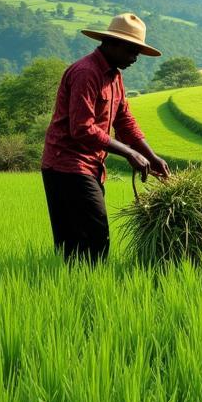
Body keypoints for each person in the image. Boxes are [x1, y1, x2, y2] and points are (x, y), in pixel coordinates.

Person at [41, 13, 170, 263]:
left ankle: (78, 286)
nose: (134, 59)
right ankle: (80, 286)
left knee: (84, 238)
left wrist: (150, 155)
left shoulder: (114, 76)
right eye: (132, 51)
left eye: (138, 53)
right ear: (112, 43)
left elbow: (124, 120)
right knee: (92, 235)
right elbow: (82, 128)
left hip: (90, 166)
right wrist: (130, 153)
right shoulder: (86, 73)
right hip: (66, 164)